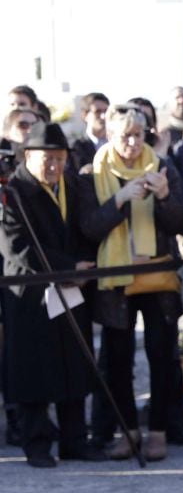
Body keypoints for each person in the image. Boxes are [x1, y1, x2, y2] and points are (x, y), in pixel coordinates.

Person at [78, 105, 183, 462]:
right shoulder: (89, 173)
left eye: (138, 135)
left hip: (157, 278)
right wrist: (120, 200)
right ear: (110, 135)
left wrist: (166, 196)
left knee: (161, 357)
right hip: (116, 281)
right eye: (124, 135)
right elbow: (89, 228)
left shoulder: (162, 167)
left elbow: (180, 222)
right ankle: (128, 432)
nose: (131, 142)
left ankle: (157, 432)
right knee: (120, 362)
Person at [0, 123, 103, 467]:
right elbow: (16, 247)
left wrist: (83, 268)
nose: (54, 166)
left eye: (59, 159)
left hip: (73, 289)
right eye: (47, 159)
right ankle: (37, 443)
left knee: (74, 362)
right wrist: (70, 267)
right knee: (34, 370)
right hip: (31, 293)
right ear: (28, 156)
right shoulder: (12, 192)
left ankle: (75, 440)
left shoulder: (70, 186)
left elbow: (84, 230)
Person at [68, 92, 110, 172]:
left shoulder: (116, 143)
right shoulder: (76, 147)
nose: (103, 116)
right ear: (84, 115)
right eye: (98, 112)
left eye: (106, 111)